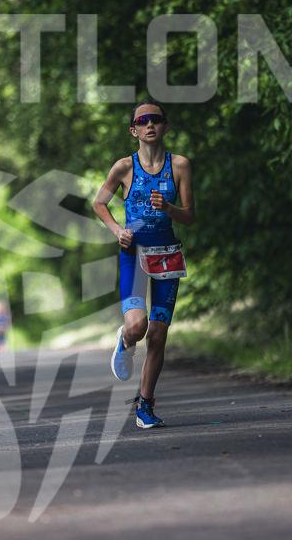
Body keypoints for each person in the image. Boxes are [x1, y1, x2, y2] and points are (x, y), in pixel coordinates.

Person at [92, 99, 195, 429]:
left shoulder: (179, 165)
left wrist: (168, 208)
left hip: (166, 255)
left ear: (165, 126)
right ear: (133, 130)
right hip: (134, 255)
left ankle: (145, 405)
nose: (150, 124)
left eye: (156, 119)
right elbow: (99, 203)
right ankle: (125, 340)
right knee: (138, 327)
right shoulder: (124, 167)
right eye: (142, 120)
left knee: (158, 335)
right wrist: (117, 231)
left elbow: (189, 216)